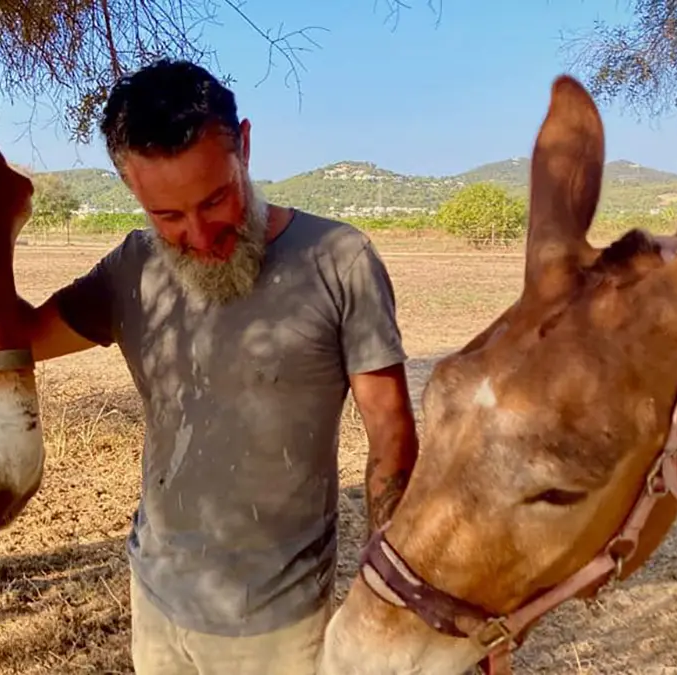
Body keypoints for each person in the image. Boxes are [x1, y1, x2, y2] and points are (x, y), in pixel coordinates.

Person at [26, 58, 419, 674]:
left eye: (216, 200)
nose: (202, 235)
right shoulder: (129, 270)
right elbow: (14, 343)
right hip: (156, 599)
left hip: (280, 625)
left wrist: (395, 600)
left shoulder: (340, 260)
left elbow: (393, 439)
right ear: (131, 192)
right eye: (168, 217)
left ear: (246, 147)